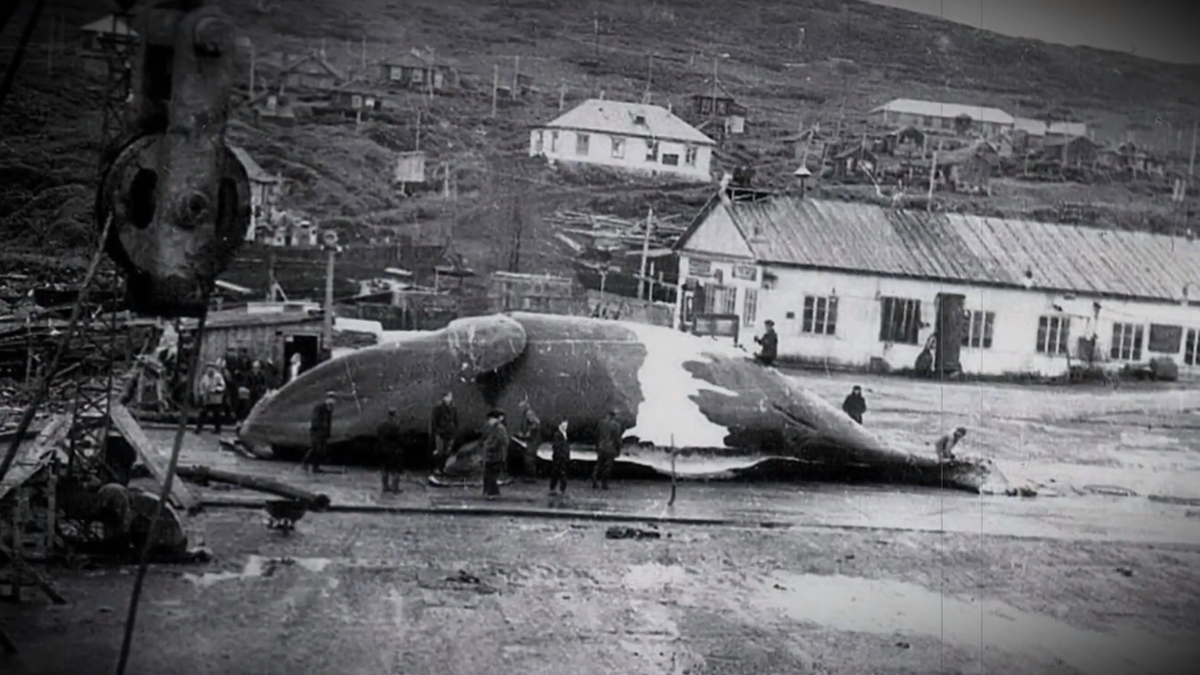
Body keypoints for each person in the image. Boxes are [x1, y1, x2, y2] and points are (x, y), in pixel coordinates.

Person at [303, 391, 336, 473]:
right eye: (331, 398)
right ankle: (306, 463)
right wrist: (319, 426)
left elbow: (329, 422)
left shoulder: (329, 409)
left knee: (320, 450)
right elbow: (315, 418)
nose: (332, 401)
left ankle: (315, 467)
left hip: (323, 432)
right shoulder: (320, 407)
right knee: (316, 449)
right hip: (316, 431)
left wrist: (328, 432)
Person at [592, 408, 623, 490]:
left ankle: (594, 480)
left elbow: (597, 435)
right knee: (607, 467)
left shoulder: (601, 423)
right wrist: (618, 449)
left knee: (598, 465)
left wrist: (596, 446)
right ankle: (604, 483)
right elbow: (616, 438)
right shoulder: (616, 425)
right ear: (614, 416)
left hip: (601, 446)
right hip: (610, 448)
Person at [481, 409, 509, 498]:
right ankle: (491, 491)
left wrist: (489, 447)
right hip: (492, 454)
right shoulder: (494, 427)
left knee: (491, 473)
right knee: (489, 473)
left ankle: (492, 492)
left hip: (496, 454)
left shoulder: (499, 428)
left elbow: (499, 441)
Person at [430, 392, 459, 474]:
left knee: (447, 451)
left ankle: (442, 467)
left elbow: (455, 419)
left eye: (450, 396)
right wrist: (436, 431)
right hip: (441, 432)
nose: (449, 398)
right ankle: (436, 468)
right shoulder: (438, 407)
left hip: (450, 432)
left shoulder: (453, 407)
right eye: (447, 396)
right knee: (439, 451)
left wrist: (456, 430)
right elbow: (434, 420)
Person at [377, 409, 404, 493]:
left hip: (382, 450)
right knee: (396, 470)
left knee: (384, 469)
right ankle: (395, 487)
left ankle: (385, 486)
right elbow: (399, 439)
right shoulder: (395, 427)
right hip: (393, 451)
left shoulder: (381, 425)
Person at [195, 363, 227, 434]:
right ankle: (198, 428)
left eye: (211, 368)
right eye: (208, 368)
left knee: (217, 415)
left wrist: (216, 390)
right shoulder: (205, 377)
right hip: (207, 399)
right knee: (203, 413)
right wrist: (202, 393)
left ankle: (217, 429)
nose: (210, 369)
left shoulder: (218, 376)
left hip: (216, 399)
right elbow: (201, 386)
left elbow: (222, 386)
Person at [516, 398, 542, 482]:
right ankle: (529, 476)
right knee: (527, 457)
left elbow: (536, 424)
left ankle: (531, 477)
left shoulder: (529, 413)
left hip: (532, 439)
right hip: (530, 439)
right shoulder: (526, 414)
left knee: (529, 457)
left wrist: (528, 433)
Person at [548, 419, 570, 496]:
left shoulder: (564, 434)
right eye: (563, 425)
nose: (565, 427)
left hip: (561, 457)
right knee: (559, 473)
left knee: (558, 473)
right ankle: (558, 488)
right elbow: (557, 446)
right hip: (559, 457)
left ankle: (557, 488)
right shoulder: (558, 435)